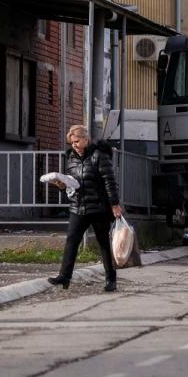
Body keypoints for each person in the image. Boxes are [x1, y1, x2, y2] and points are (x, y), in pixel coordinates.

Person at [49, 125, 122, 292]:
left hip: (98, 208)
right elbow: (71, 183)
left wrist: (115, 205)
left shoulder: (99, 156)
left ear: (86, 140)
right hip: (78, 207)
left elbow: (109, 182)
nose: (74, 145)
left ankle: (111, 279)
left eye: (76, 141)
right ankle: (64, 277)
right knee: (71, 241)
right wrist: (61, 184)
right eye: (72, 142)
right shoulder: (71, 159)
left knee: (103, 243)